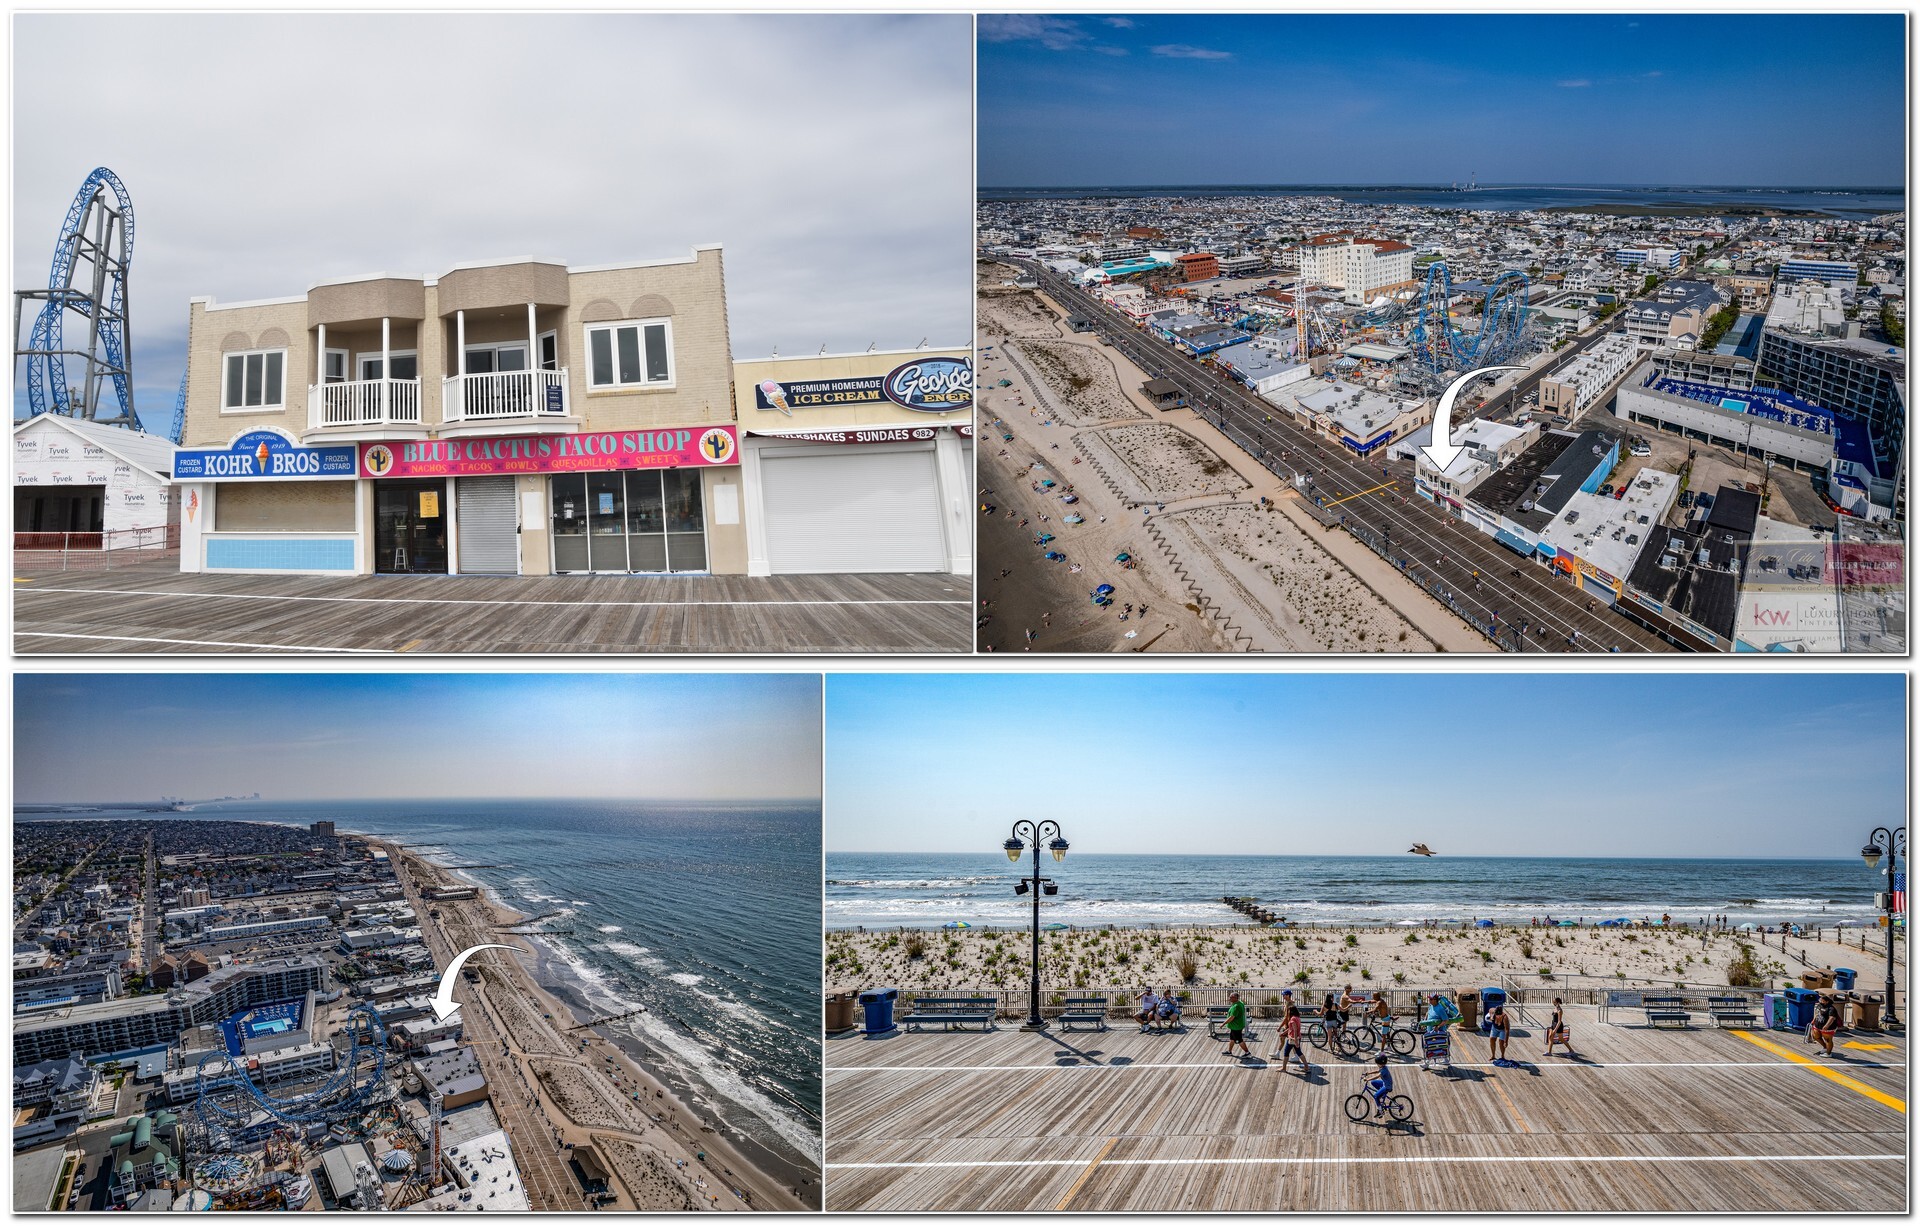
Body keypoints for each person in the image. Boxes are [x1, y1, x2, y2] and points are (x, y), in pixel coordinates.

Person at [1277, 1002, 1308, 1074]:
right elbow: (1291, 1029)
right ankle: (1306, 1067)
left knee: (1286, 1052)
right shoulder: (1297, 1018)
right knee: (1299, 1052)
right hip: (1296, 1038)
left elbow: (1295, 1030)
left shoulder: (1292, 1019)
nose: (1287, 1012)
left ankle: (1284, 1068)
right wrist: (1284, 1033)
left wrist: (1295, 1040)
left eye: (1288, 1011)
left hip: (1292, 1039)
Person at [1223, 991, 1252, 1060]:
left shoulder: (1236, 1006)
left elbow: (1232, 1017)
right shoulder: (1240, 1003)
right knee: (1232, 1039)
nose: (1229, 998)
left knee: (1239, 1040)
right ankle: (1229, 1051)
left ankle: (1247, 1053)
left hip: (1236, 1026)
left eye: (1231, 997)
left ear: (1235, 998)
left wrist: (1224, 1023)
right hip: (1236, 1025)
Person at [1486, 999, 1512, 1066]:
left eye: (1499, 1015)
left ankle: (1502, 1056)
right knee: (1492, 1039)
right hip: (1494, 1028)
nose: (1498, 1016)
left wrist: (1506, 1041)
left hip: (1502, 1029)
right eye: (1496, 1015)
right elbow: (1490, 1009)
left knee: (1501, 1042)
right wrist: (1491, 1016)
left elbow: (1507, 1030)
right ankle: (1493, 1055)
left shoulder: (1505, 1017)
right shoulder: (1493, 1011)